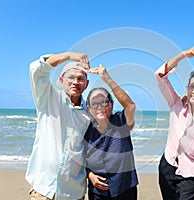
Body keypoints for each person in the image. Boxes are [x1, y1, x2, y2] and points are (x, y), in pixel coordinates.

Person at [25, 52, 91, 200]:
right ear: (61, 80)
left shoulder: (90, 113)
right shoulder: (48, 98)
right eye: (71, 77)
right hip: (44, 189)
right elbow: (37, 69)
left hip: (74, 192)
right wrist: (68, 56)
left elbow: (89, 150)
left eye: (81, 79)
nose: (75, 82)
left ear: (86, 84)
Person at [155, 46, 194, 200]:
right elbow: (160, 75)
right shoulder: (177, 105)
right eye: (192, 86)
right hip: (167, 166)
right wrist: (183, 55)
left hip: (191, 174)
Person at [84, 64, 138, 200]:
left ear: (111, 104)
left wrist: (107, 78)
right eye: (94, 103)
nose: (100, 107)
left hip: (124, 188)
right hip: (97, 192)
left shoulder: (120, 122)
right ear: (89, 108)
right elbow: (78, 158)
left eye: (104, 102)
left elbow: (130, 106)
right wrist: (89, 174)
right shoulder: (85, 129)